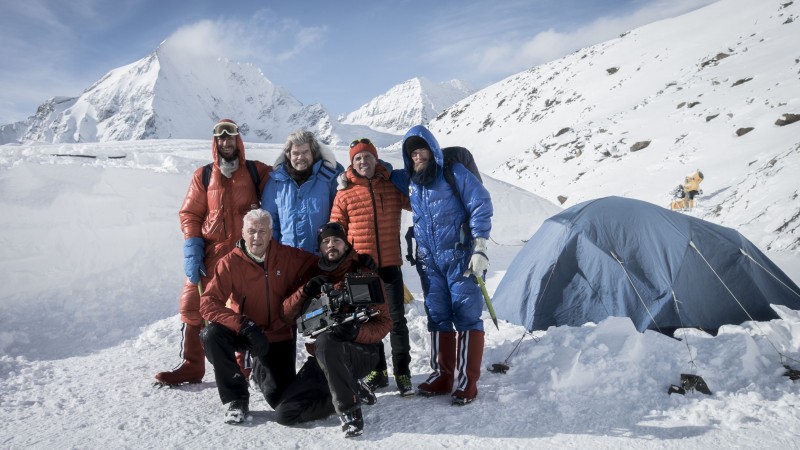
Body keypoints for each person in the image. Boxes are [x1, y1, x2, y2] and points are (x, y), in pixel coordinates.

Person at [154, 119, 272, 386]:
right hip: (211, 254)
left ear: (238, 141)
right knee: (191, 306)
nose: (226, 142)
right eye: (221, 138)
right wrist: (193, 246)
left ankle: (243, 365)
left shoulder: (256, 171)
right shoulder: (203, 175)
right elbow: (190, 213)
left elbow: (284, 184)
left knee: (242, 308)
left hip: (244, 255)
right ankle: (191, 365)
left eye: (231, 137)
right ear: (215, 142)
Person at [401, 124, 493, 405]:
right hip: (430, 263)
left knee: (467, 316)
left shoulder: (453, 173)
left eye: (422, 150)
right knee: (438, 317)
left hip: (461, 257)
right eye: (413, 153)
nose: (418, 157)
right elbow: (376, 175)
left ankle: (468, 381)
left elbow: (481, 203)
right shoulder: (412, 182)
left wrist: (480, 247)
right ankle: (443, 375)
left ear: (433, 150)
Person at [199, 209, 317, 424]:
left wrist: (358, 261)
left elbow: (325, 264)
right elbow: (208, 303)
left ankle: (320, 373)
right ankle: (236, 398)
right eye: (251, 231)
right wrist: (243, 324)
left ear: (271, 232)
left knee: (280, 401)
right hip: (245, 332)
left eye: (262, 231)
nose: (257, 237)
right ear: (242, 233)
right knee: (211, 334)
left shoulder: (288, 256)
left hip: (278, 335)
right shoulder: (230, 263)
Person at [277, 222, 391, 437]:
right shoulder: (311, 274)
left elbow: (384, 322)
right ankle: (350, 389)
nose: (331, 245)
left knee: (327, 341)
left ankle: (350, 411)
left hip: (360, 353)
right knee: (286, 413)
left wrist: (357, 333)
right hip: (323, 357)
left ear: (346, 244)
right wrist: (305, 291)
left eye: (337, 240)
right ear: (319, 247)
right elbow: (285, 315)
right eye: (326, 241)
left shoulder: (363, 273)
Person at [329, 138, 414, 396]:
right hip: (362, 272)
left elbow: (416, 202)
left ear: (376, 160)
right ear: (351, 163)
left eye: (367, 157)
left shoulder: (391, 187)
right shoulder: (344, 193)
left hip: (390, 265)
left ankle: (403, 373)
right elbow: (336, 230)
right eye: (358, 158)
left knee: (397, 320)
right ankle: (378, 371)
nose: (363, 161)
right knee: (370, 320)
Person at [261, 130, 344, 253]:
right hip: (288, 257)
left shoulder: (329, 178)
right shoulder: (276, 182)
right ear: (288, 155)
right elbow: (269, 222)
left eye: (305, 152)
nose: (300, 157)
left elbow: (340, 218)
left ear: (313, 154)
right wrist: (274, 254)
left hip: (322, 258)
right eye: (296, 153)